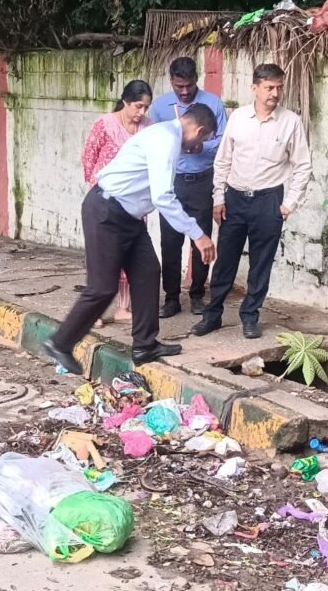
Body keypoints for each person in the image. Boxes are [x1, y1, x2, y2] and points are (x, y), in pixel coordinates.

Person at [45, 104, 218, 374]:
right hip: (107, 212)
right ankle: (60, 342)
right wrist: (197, 234)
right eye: (202, 140)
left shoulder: (164, 136)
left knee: (148, 272)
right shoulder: (166, 140)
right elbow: (163, 196)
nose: (198, 147)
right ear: (199, 130)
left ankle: (144, 345)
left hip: (128, 217)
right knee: (102, 287)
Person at [190, 63, 312, 340]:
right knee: (224, 262)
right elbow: (223, 160)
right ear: (254, 88)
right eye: (269, 87)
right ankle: (212, 316)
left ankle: (250, 317)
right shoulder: (238, 118)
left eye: (279, 87)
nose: (275, 93)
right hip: (234, 198)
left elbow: (303, 165)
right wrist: (218, 198)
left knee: (261, 263)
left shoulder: (290, 121)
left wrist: (288, 204)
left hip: (269, 200)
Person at [148, 57, 227, 319]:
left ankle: (196, 295)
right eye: (178, 86)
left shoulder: (213, 104)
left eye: (189, 85)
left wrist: (202, 145)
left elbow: (224, 142)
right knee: (170, 242)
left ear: (197, 79)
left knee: (201, 238)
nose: (184, 91)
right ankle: (171, 298)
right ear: (171, 81)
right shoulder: (159, 107)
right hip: (173, 182)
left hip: (203, 180)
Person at [81, 80, 153, 323]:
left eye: (146, 108)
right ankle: (96, 311)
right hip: (105, 203)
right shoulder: (105, 124)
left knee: (130, 256)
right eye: (137, 106)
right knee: (102, 257)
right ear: (125, 102)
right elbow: (88, 157)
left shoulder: (148, 129)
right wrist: (97, 190)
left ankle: (124, 307)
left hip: (133, 205)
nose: (141, 113)